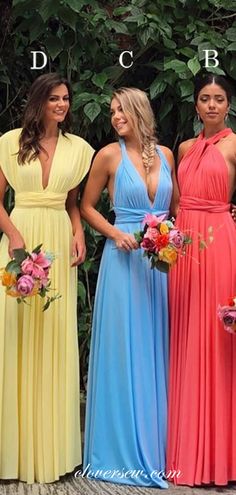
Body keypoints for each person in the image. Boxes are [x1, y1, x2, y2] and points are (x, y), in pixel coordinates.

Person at [81, 87, 179, 487]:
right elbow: (86, 206)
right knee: (124, 350)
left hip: (159, 267)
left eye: (121, 109)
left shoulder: (168, 156)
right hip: (123, 261)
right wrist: (114, 233)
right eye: (112, 111)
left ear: (140, 109)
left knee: (156, 350)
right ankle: (118, 448)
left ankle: (158, 447)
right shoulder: (107, 155)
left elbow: (176, 211)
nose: (116, 116)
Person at [0, 73, 94, 483]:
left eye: (66, 98)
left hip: (57, 236)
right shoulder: (8, 142)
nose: (61, 105)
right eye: (53, 98)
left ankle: (53, 450)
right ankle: (11, 453)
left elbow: (73, 203)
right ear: (38, 101)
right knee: (14, 333)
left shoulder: (78, 149)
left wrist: (77, 232)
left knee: (54, 334)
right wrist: (13, 235)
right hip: (18, 240)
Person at [166, 73, 236, 486]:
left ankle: (221, 455)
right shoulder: (186, 147)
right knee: (189, 339)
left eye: (219, 99)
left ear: (229, 105)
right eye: (205, 98)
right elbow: (176, 202)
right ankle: (188, 451)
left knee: (217, 339)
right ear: (195, 104)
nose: (212, 105)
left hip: (221, 244)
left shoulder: (234, 144)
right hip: (185, 250)